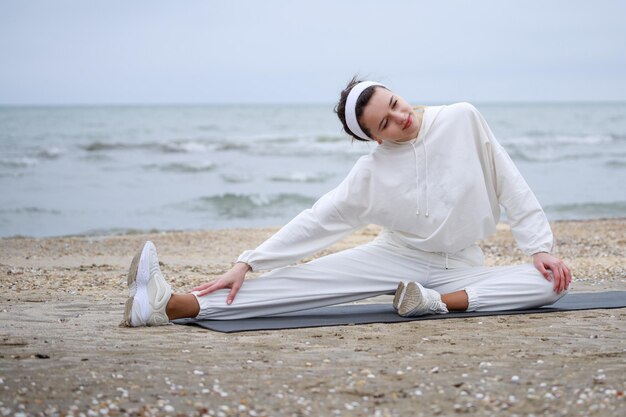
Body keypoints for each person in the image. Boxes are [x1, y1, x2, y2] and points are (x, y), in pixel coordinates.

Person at [120, 77, 572, 327]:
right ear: (374, 138)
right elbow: (320, 220)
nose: (401, 117)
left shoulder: (462, 118)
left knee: (550, 284)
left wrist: (540, 247)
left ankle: (437, 303)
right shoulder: (371, 173)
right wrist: (249, 261)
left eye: (395, 103)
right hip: (399, 256)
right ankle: (168, 304)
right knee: (307, 283)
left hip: (463, 264)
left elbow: (509, 179)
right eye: (386, 123)